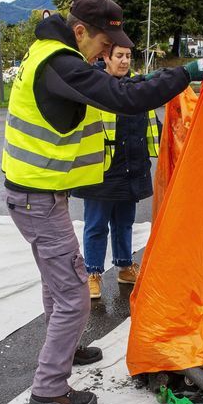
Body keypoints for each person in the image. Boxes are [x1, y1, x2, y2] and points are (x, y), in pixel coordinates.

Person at [2, 0, 203, 404]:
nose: (106, 55)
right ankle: (49, 387)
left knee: (57, 283)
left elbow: (117, 87)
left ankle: (64, 350)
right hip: (36, 198)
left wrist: (166, 76)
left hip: (36, 193)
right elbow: (123, 99)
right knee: (75, 295)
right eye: (105, 45)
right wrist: (185, 74)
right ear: (81, 31)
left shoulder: (53, 55)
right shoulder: (59, 64)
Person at [72, 44, 161, 300]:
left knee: (124, 222)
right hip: (101, 170)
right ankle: (93, 273)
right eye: (119, 56)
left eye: (128, 56)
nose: (124, 61)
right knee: (96, 224)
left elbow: (151, 125)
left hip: (131, 168)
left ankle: (124, 266)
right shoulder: (95, 86)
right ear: (105, 58)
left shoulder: (135, 88)